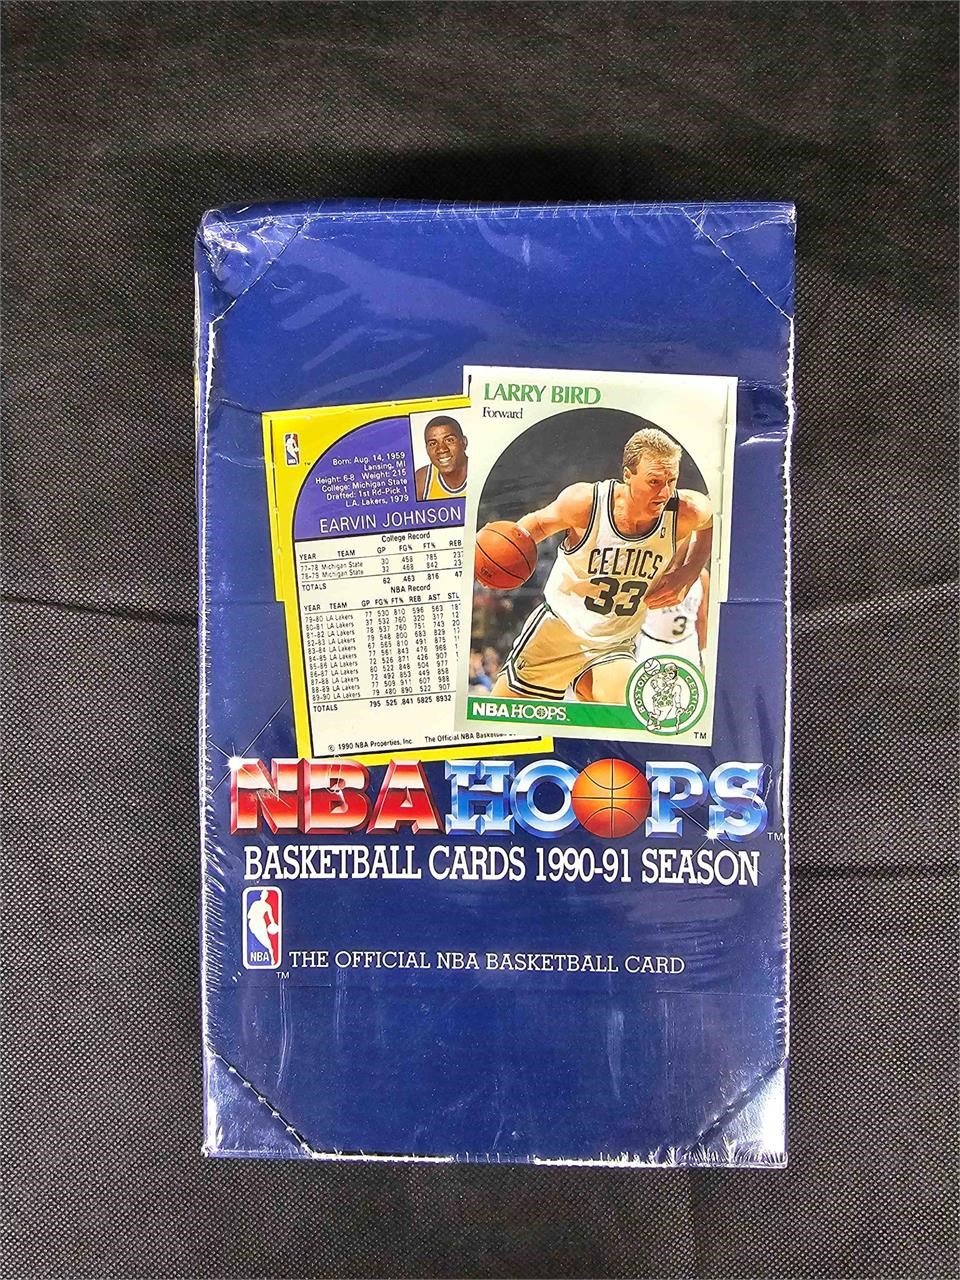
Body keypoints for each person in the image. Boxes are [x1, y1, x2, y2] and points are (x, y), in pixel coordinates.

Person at [488, 426, 712, 704]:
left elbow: (711, 520)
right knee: (500, 715)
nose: (664, 492)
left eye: (672, 480)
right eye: (654, 481)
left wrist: (689, 573)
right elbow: (533, 526)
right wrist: (497, 558)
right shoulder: (586, 503)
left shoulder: (685, 510)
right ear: (628, 475)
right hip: (559, 629)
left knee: (622, 712)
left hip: (613, 643)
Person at [636, 568, 709, 672]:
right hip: (653, 642)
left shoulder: (702, 576)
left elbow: (702, 618)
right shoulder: (657, 569)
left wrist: (703, 650)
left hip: (687, 644)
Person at [415, 415, 468, 499]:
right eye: (433, 443)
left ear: (464, 442)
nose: (441, 449)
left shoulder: (481, 472)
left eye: (449, 440)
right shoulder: (421, 481)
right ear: (427, 449)